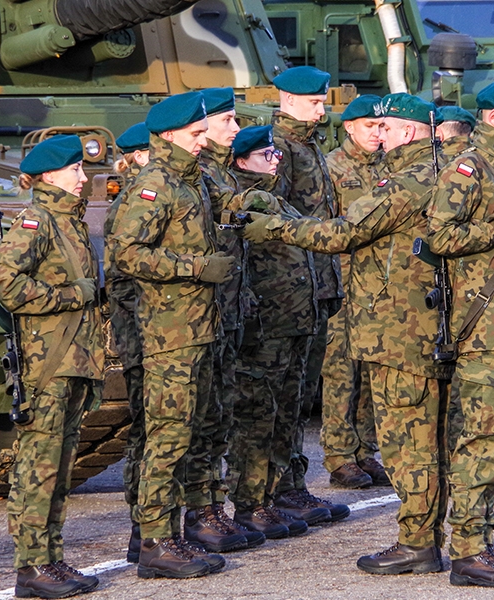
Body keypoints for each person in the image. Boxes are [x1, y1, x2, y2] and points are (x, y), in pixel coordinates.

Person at [243, 93, 452, 578]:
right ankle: (447, 537)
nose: (380, 135)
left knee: (409, 443)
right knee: (434, 437)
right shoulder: (449, 170)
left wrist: (270, 227)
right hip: (433, 324)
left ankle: (419, 543)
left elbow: (342, 234)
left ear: (405, 132)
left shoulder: (408, 181)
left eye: (387, 127)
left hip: (399, 330)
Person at [111, 92, 236, 580]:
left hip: (197, 327)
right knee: (167, 438)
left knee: (186, 435)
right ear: (168, 137)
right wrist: (197, 267)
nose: (203, 142)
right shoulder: (154, 185)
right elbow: (126, 254)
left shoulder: (192, 180)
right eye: (195, 135)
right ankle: (155, 542)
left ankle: (162, 535)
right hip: (169, 334)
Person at [425, 80, 494, 588]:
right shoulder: (467, 169)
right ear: (492, 117)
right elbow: (440, 237)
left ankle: (482, 540)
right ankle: (469, 549)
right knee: (481, 438)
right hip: (484, 329)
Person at [0, 134, 105, 598]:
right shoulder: (37, 221)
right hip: (48, 366)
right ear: (48, 176)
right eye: (75, 170)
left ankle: (52, 560)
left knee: (59, 467)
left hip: (74, 359)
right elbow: (8, 285)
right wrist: (69, 296)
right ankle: (31, 568)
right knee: (38, 468)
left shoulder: (68, 221)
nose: (84, 178)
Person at [226, 125, 321, 539]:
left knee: (286, 409)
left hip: (290, 323)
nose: (275, 159)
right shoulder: (243, 203)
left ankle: (279, 491)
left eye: (275, 154)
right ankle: (251, 502)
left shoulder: (271, 196)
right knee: (256, 416)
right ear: (242, 161)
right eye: (266, 155)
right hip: (263, 326)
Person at [181, 87, 264, 553]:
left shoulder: (215, 173)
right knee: (193, 419)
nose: (235, 130)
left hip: (225, 310)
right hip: (192, 318)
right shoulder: (196, 175)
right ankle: (197, 510)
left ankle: (212, 505)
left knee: (217, 414)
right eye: (227, 121)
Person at [270, 66, 349, 523]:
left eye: (322, 102)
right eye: (315, 102)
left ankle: (293, 484)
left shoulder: (309, 145)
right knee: (281, 394)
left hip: (317, 282)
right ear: (288, 99)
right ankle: (276, 489)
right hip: (291, 287)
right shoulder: (280, 147)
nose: (322, 109)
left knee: (300, 392)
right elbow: (277, 219)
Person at [321, 94, 388, 489]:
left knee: (370, 372)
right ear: (349, 127)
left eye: (383, 127)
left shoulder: (389, 168)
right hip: (346, 283)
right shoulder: (332, 168)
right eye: (370, 127)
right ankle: (340, 454)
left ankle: (365, 449)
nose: (378, 134)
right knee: (341, 371)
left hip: (380, 285)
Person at [103, 122, 151, 564]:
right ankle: (142, 524)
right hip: (140, 332)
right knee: (145, 429)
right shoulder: (132, 205)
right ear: (136, 156)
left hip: (155, 330)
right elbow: (125, 279)